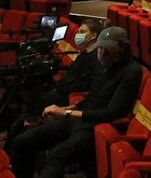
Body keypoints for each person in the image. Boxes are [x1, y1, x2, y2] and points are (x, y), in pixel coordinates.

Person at [9, 26, 143, 178]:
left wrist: (67, 113)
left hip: (95, 126)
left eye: (108, 49)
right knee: (23, 141)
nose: (102, 53)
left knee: (56, 155)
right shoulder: (106, 66)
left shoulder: (131, 71)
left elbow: (112, 112)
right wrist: (67, 108)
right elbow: (94, 98)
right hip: (79, 120)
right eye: (100, 49)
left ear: (122, 48)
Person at [36, 18, 102, 109]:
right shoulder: (86, 52)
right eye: (78, 31)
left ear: (93, 35)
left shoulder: (96, 58)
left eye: (82, 32)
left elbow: (87, 84)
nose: (78, 35)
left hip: (66, 94)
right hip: (62, 88)